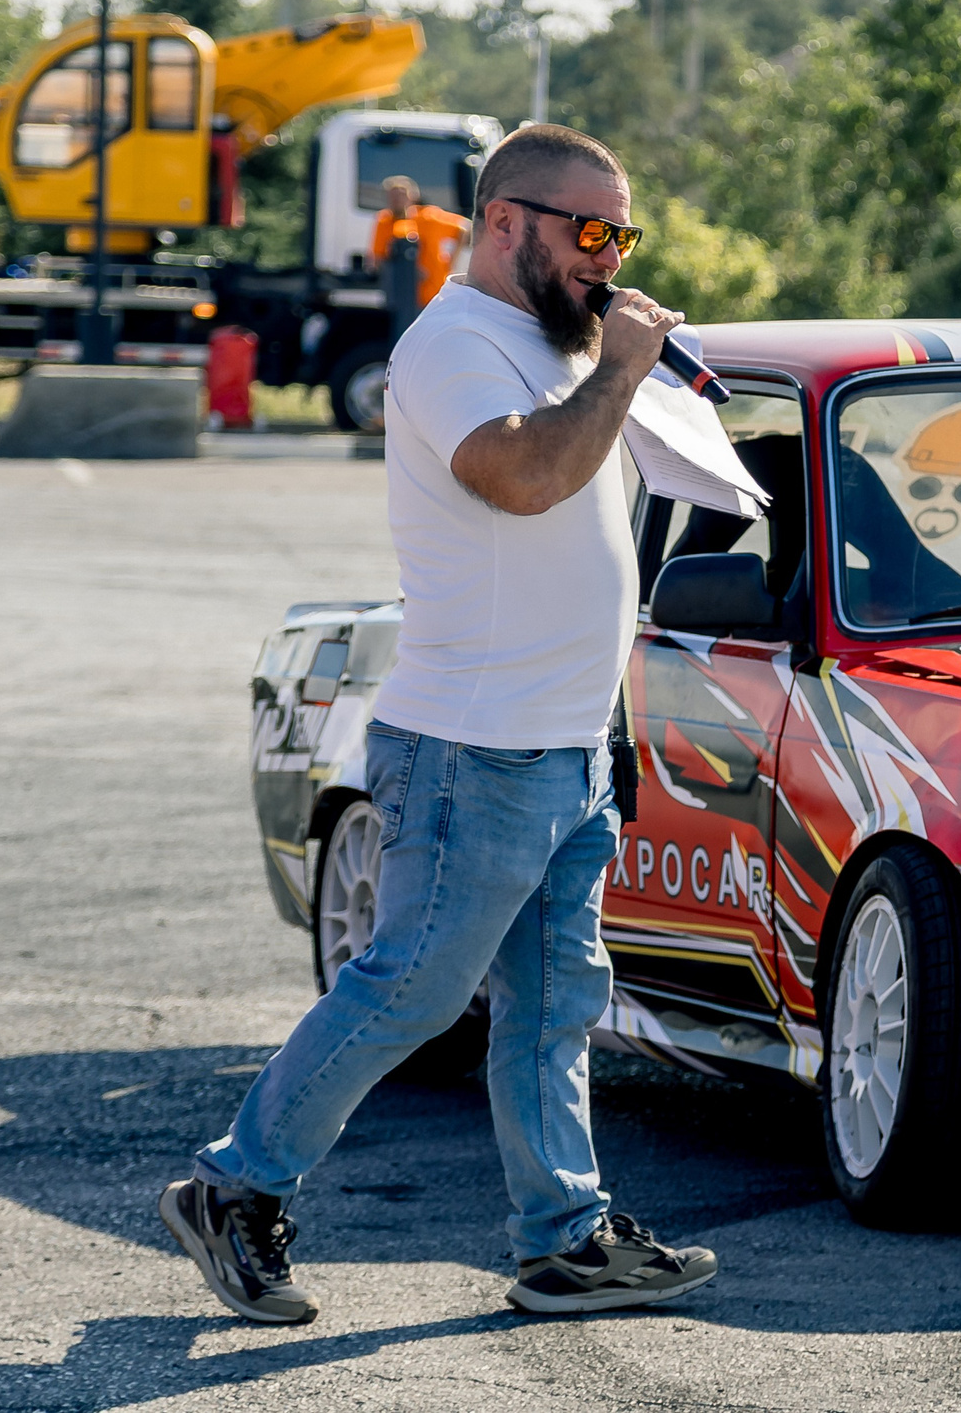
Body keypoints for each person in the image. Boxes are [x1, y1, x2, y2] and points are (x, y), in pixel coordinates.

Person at [162, 124, 721, 1321]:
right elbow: (519, 478)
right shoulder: (454, 342)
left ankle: (564, 1236)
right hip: (475, 744)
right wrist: (619, 373)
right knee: (414, 986)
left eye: (621, 234)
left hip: (563, 744)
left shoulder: (552, 343)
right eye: (590, 231)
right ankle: (232, 1184)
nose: (608, 257)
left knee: (555, 1002)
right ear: (507, 220)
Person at [370, 173, 470, 316]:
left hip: (434, 293)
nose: (397, 199)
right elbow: (378, 258)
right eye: (392, 195)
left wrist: (451, 262)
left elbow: (464, 228)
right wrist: (407, 270)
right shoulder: (385, 221)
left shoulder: (430, 217)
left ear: (413, 196)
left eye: (402, 194)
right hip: (404, 298)